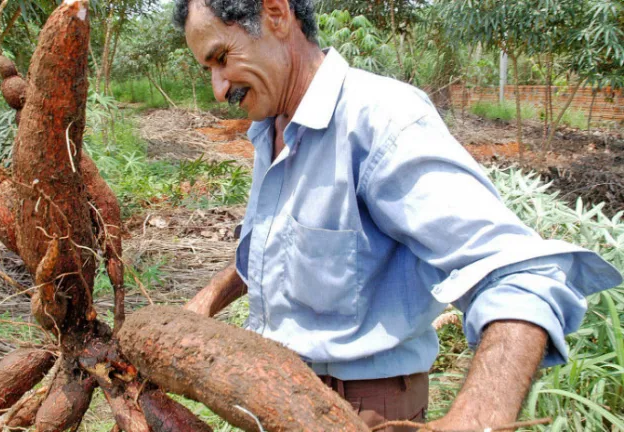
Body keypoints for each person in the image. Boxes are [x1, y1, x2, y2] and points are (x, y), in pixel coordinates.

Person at [172, 0, 623, 430]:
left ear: (275, 13)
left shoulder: (382, 121)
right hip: (275, 393)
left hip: (363, 407)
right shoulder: (270, 126)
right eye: (207, 69)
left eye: (222, 58)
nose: (218, 88)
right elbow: (278, 242)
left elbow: (518, 275)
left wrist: (479, 418)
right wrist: (203, 304)